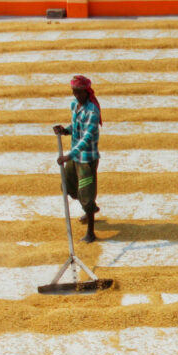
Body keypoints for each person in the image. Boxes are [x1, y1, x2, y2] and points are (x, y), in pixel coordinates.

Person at [52, 75, 102, 243]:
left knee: (86, 194)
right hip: (75, 156)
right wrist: (65, 131)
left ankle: (91, 232)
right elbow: (76, 126)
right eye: (74, 92)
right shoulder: (74, 105)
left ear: (86, 91)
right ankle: (90, 208)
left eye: (80, 92)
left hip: (86, 158)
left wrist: (68, 156)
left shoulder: (93, 111)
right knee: (67, 186)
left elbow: (86, 138)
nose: (76, 95)